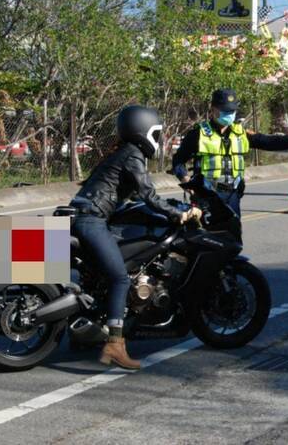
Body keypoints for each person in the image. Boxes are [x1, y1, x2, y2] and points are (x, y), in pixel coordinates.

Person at [70, 106, 202, 370]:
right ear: (143, 132)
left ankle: (86, 332)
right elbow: (148, 196)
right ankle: (115, 345)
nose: (159, 138)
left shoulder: (121, 153)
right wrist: (178, 214)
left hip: (83, 215)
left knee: (102, 274)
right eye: (157, 133)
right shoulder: (133, 155)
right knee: (119, 277)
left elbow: (121, 193)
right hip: (91, 220)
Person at [172, 88, 288, 216]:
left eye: (232, 111)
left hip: (232, 195)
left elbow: (267, 141)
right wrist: (187, 183)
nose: (229, 114)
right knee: (207, 241)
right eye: (225, 111)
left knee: (232, 241)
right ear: (213, 109)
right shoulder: (198, 134)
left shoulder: (240, 133)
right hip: (206, 196)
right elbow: (178, 161)